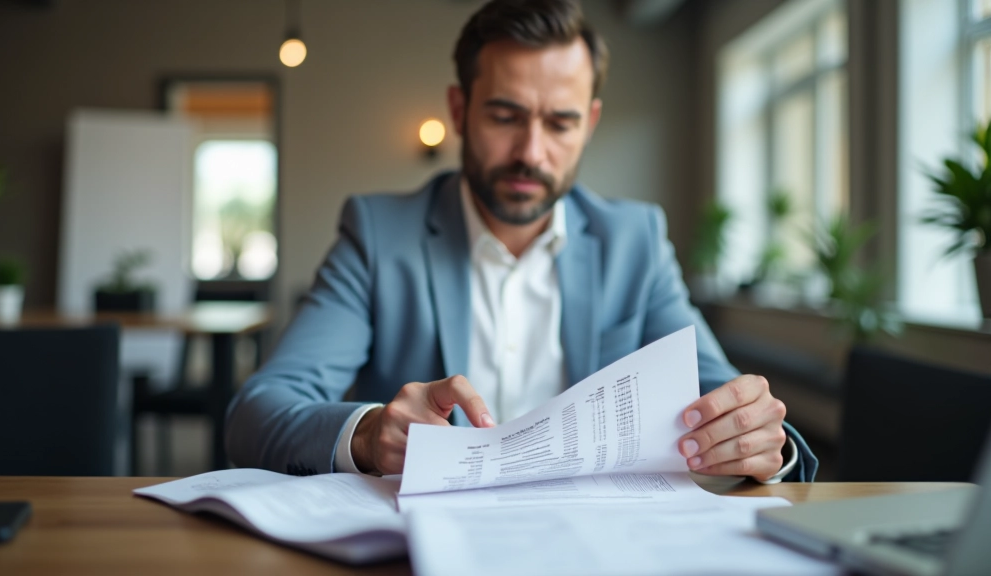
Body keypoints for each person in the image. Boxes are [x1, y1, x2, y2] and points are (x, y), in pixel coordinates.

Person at [225, 0, 817, 483]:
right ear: (460, 109)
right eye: (505, 117)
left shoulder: (634, 241)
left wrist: (761, 439)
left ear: (589, 123)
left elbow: (725, 399)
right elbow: (257, 414)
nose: (531, 152)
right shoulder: (380, 234)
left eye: (560, 123)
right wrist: (369, 431)